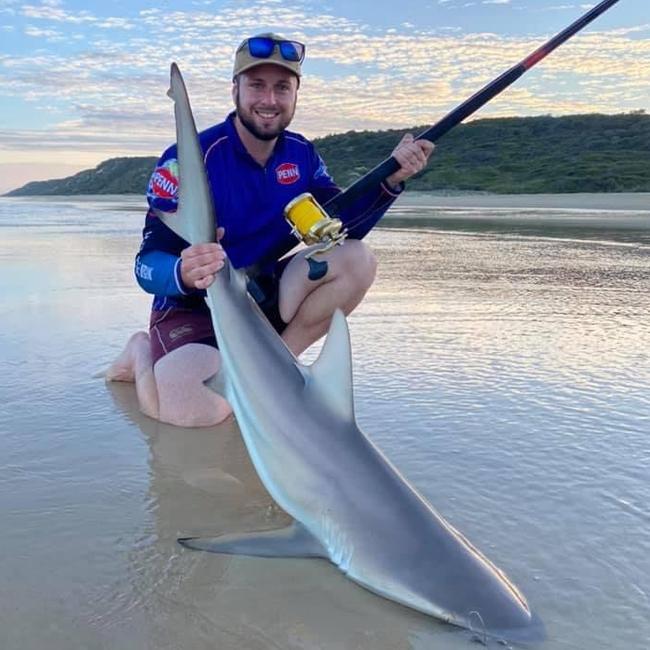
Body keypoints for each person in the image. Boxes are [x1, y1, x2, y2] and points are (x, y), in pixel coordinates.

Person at [107, 33, 434, 427]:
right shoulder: (187, 159)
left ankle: (274, 368)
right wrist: (182, 272)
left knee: (357, 261)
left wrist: (391, 181)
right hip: (194, 309)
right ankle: (142, 355)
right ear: (235, 90)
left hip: (260, 294)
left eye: (282, 87)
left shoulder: (302, 154)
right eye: (256, 85)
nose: (269, 100)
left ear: (296, 95)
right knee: (200, 416)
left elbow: (344, 226)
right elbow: (145, 264)